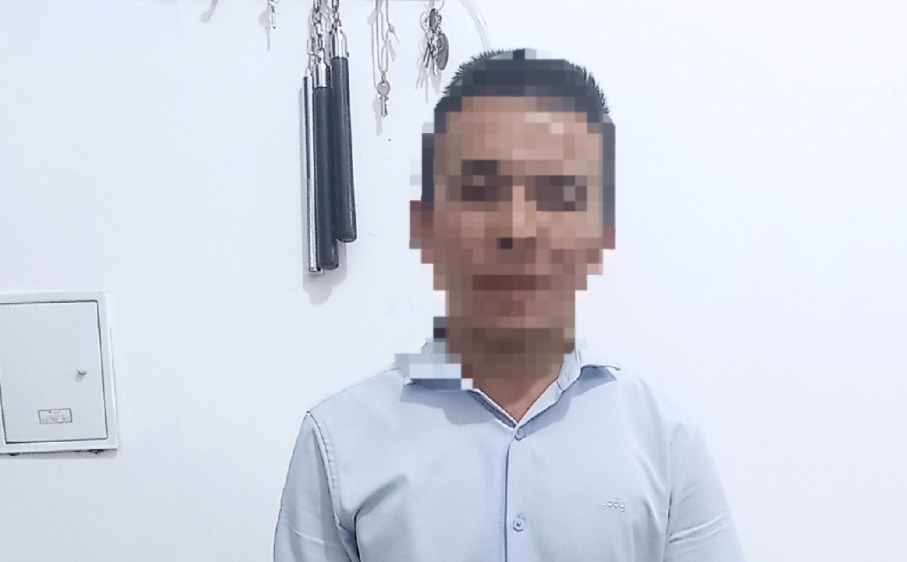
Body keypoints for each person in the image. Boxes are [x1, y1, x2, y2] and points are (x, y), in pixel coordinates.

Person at [273, 48, 745, 562]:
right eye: (482, 190)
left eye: (557, 193)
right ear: (426, 225)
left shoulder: (665, 444)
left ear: (599, 234)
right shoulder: (338, 443)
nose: (518, 228)